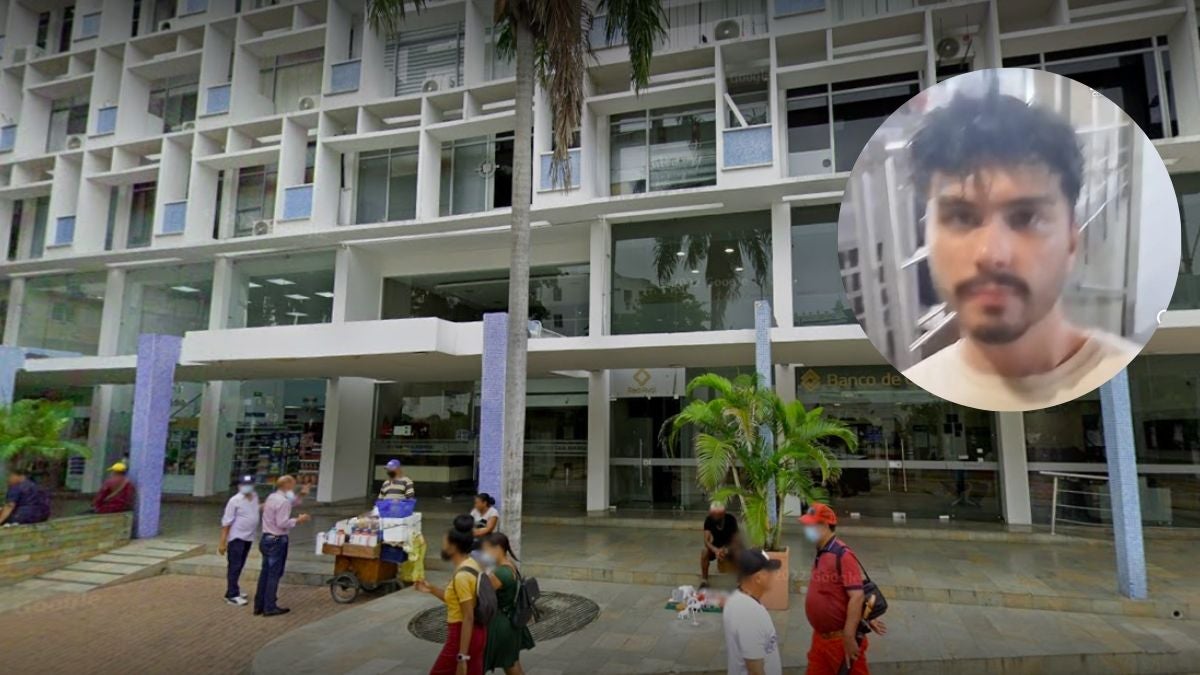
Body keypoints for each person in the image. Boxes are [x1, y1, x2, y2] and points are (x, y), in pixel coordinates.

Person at [902, 91, 1140, 411]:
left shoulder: (1123, 371)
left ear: (1072, 238)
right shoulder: (920, 383)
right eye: (961, 217)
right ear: (926, 235)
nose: (991, 254)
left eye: (1026, 217)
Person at [800, 504, 886, 675]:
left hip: (839, 641)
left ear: (824, 526)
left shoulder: (842, 555)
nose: (807, 530)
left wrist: (848, 636)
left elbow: (856, 596)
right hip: (820, 639)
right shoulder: (822, 552)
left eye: (811, 525)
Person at [415, 517, 488, 675]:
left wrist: (462, 656)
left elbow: (468, 616)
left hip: (462, 635)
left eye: (445, 543)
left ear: (453, 547)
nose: (443, 546)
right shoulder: (471, 564)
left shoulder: (462, 576)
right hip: (477, 633)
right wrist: (432, 589)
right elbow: (457, 601)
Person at [254, 475, 310, 617]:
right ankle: (269, 606)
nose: (294, 488)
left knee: (265, 573)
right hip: (277, 540)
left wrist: (302, 494)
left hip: (266, 538)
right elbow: (282, 522)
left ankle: (259, 604)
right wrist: (299, 520)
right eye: (293, 485)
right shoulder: (283, 502)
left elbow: (292, 503)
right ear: (287, 485)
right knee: (274, 574)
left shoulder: (272, 497)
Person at [480, 532, 534, 674]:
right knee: (510, 663)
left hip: (500, 624)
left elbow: (481, 596)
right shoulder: (510, 565)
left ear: (497, 548)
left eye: (486, 549)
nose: (484, 553)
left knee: (502, 663)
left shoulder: (500, 573)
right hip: (510, 620)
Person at [722, 548, 783, 675]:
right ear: (758, 578)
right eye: (769, 571)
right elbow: (755, 670)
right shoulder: (750, 615)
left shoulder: (736, 598)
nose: (774, 574)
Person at [219, 475, 260, 607]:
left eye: (248, 484)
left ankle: (233, 589)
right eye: (243, 484)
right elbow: (226, 522)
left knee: (240, 565)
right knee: (234, 566)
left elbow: (256, 509)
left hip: (248, 537)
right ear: (238, 486)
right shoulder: (234, 500)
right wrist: (223, 542)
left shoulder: (254, 496)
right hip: (236, 538)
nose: (245, 487)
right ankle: (231, 595)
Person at [701, 501, 740, 587]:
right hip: (716, 547)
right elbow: (706, 541)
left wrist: (726, 549)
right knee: (704, 552)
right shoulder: (709, 520)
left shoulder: (731, 519)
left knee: (739, 552)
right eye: (713, 514)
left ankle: (739, 583)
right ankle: (704, 581)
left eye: (717, 515)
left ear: (723, 514)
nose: (715, 517)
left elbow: (736, 540)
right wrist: (715, 550)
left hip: (729, 547)